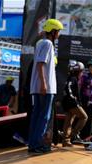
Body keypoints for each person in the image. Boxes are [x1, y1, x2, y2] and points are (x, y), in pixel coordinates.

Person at [27, 18, 62, 154]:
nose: (59, 34)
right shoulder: (48, 44)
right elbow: (41, 64)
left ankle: (33, 144)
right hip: (45, 89)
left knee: (37, 116)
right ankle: (37, 145)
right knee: (44, 117)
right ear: (53, 31)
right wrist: (44, 84)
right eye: (58, 31)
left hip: (38, 87)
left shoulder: (40, 42)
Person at [59, 62, 87, 147]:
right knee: (84, 117)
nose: (82, 74)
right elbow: (68, 89)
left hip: (68, 103)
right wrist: (75, 101)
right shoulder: (73, 78)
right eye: (81, 71)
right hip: (71, 103)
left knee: (69, 121)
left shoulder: (71, 78)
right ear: (77, 71)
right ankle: (73, 135)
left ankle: (66, 141)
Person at [78, 58, 92, 140]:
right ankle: (77, 136)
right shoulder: (84, 77)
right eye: (90, 67)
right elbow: (79, 88)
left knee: (90, 121)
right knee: (82, 118)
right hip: (83, 101)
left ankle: (87, 139)